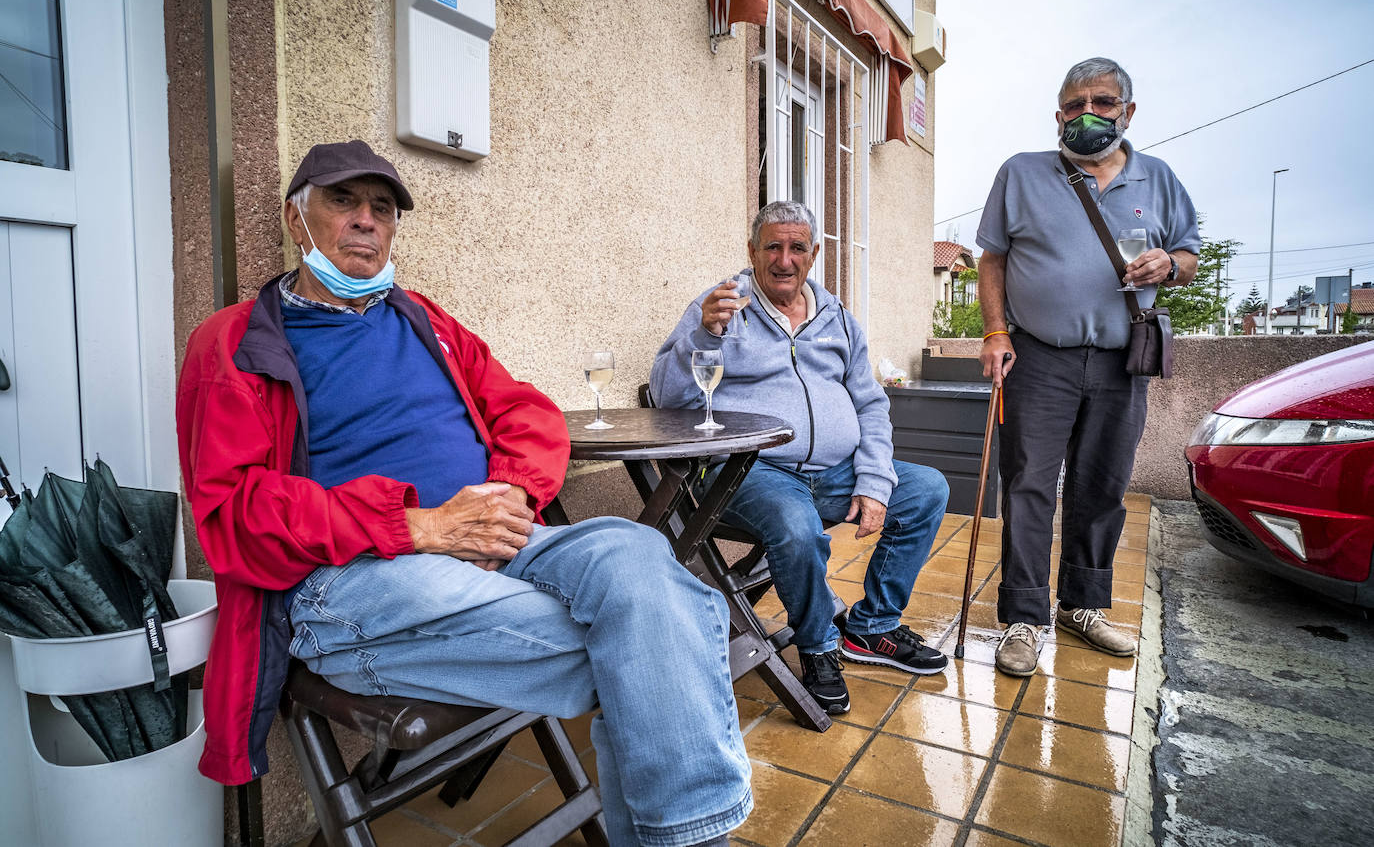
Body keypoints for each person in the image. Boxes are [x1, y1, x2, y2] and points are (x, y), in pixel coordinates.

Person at [176, 140, 751, 846]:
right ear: (298, 221)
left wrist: (504, 501)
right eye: (342, 201)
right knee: (659, 633)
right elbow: (233, 515)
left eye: (381, 208)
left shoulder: (427, 322)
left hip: (496, 542)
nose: (365, 220)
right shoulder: (235, 342)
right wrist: (420, 527)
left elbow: (527, 412)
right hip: (353, 578)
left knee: (636, 556)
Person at [650, 201, 950, 717]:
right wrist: (704, 336)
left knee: (925, 490)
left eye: (796, 248)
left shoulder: (838, 319)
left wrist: (875, 478)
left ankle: (871, 627)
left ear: (813, 256)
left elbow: (871, 406)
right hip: (745, 471)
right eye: (772, 246)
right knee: (795, 522)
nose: (784, 260)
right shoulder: (721, 306)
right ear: (752, 252)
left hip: (832, 472)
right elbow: (666, 396)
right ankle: (817, 648)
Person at [976, 58, 1199, 677]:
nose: (1087, 115)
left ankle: (1084, 604)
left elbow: (1190, 256)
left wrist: (1168, 266)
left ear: (1128, 112)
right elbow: (990, 259)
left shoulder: (1158, 180)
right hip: (1039, 355)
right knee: (1027, 486)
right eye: (1074, 106)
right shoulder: (1021, 173)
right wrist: (995, 332)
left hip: (1121, 357)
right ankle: (1023, 616)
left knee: (1102, 486)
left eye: (1102, 103)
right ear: (1057, 116)